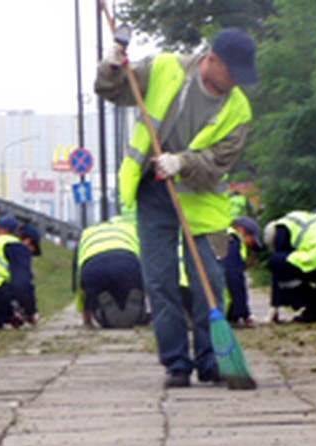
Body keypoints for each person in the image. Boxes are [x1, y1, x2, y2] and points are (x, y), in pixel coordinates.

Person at [95, 27, 258, 388]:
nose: (235, 84)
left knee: (209, 282)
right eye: (232, 74)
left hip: (204, 203)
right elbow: (114, 90)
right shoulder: (165, 69)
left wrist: (182, 163)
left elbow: (219, 160)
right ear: (211, 59)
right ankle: (176, 364)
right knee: (160, 281)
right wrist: (111, 68)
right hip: (154, 194)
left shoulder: (239, 109)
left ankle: (212, 360)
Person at [76, 212, 147, 329]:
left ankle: (104, 315)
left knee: (96, 294)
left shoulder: (86, 233)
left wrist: (87, 320)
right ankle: (137, 311)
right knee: (132, 287)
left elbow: (79, 280)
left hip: (93, 267)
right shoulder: (130, 229)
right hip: (126, 262)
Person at [221, 216, 264, 327]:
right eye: (251, 240)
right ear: (241, 230)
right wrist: (244, 313)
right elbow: (234, 277)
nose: (250, 247)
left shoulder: (218, 233)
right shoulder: (233, 240)